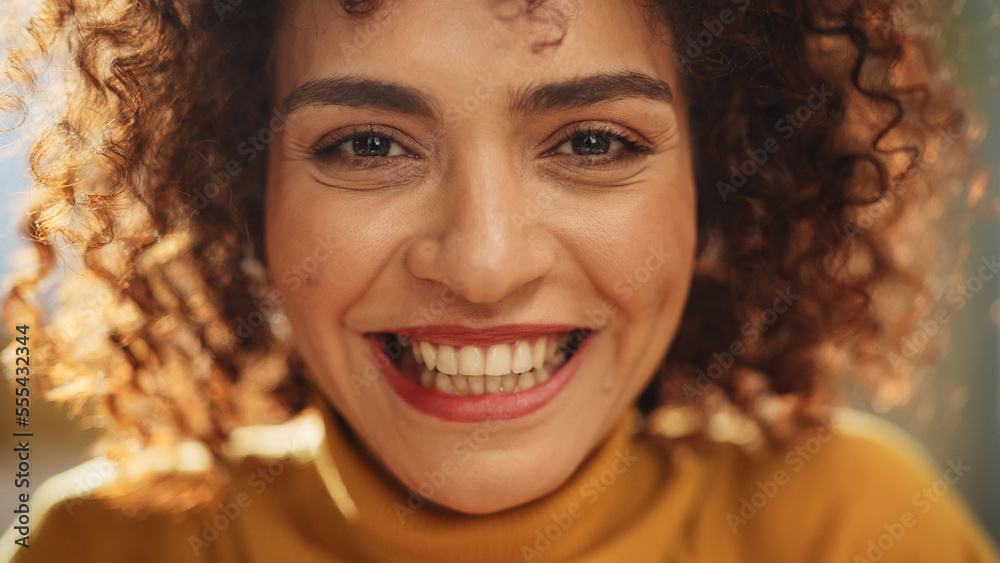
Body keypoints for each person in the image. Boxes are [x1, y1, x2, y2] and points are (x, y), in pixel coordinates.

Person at [1, 0, 998, 561]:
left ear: (724, 181)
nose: (483, 264)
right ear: (238, 194)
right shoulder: (108, 552)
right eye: (365, 144)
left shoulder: (845, 531)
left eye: (594, 140)